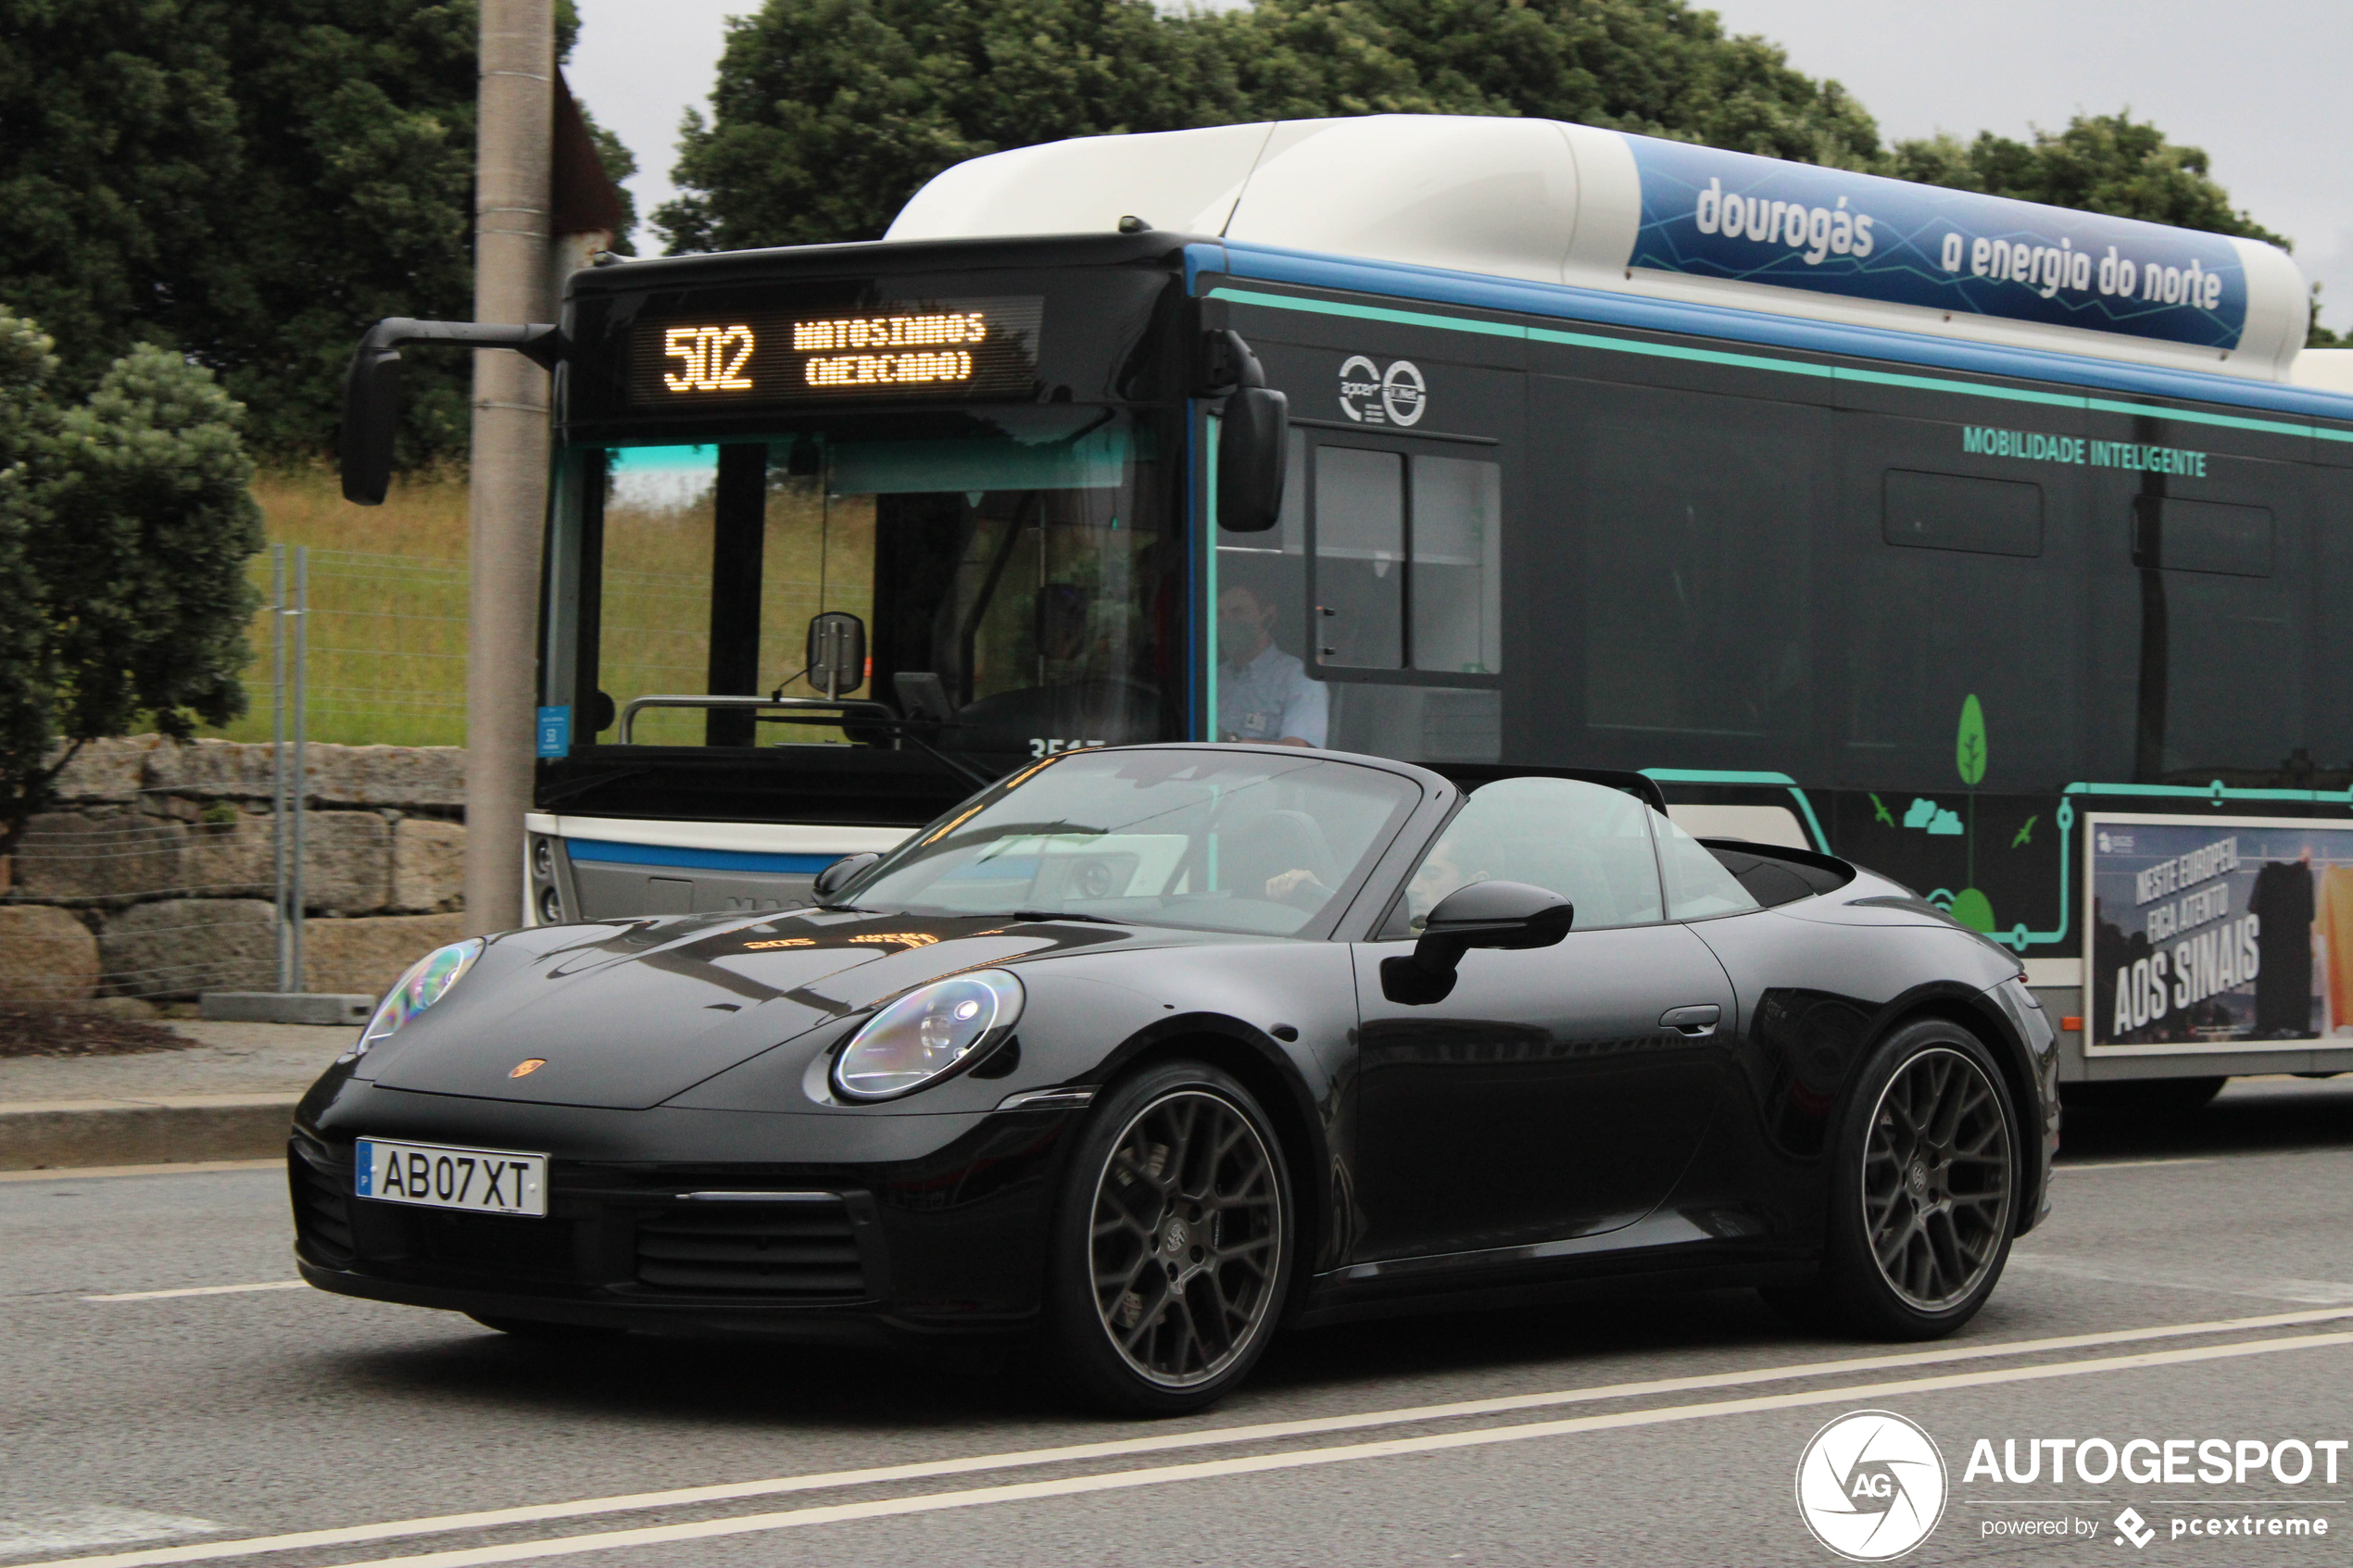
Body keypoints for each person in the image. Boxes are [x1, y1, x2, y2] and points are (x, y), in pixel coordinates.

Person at [1215, 583, 1327, 746]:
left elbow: (1298, 751)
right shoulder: (1212, 678)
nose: (1228, 621)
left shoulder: (1300, 679)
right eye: (1220, 614)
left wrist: (1229, 741)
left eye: (1238, 612)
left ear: (1268, 617)